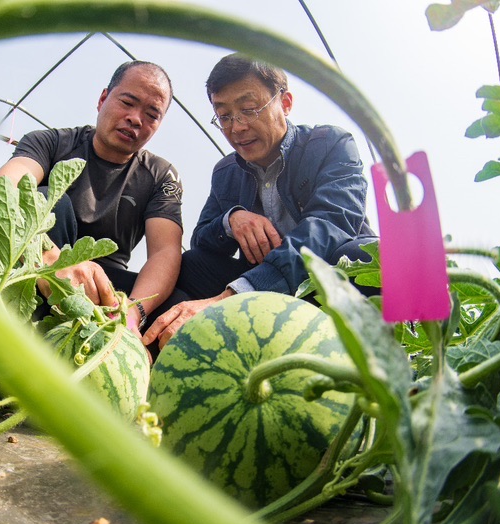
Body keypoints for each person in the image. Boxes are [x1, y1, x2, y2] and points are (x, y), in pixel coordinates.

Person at [143, 53, 377, 348]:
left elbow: (331, 224)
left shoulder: (332, 144)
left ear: (286, 103)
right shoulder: (226, 171)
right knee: (191, 264)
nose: (237, 127)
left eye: (249, 109)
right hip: (259, 286)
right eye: (224, 116)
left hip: (323, 283)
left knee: (366, 257)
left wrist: (236, 295)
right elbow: (202, 238)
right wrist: (231, 221)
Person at [0, 60, 186, 337]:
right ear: (103, 99)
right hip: (36, 267)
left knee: (179, 303)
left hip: (104, 289)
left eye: (152, 115)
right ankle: (14, 340)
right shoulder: (51, 142)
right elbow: (1, 193)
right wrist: (48, 258)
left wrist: (132, 314)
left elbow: (165, 251)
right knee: (47, 200)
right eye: (128, 102)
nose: (136, 119)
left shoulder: (161, 176)